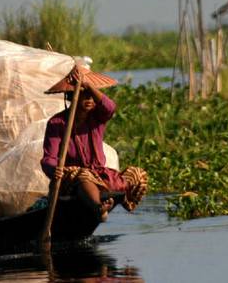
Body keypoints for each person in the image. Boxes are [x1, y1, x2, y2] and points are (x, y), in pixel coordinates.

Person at [41, 65, 148, 221]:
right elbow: (49, 157)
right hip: (72, 177)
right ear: (71, 96)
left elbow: (110, 108)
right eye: (84, 95)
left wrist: (89, 86)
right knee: (84, 174)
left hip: (99, 174)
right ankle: (99, 209)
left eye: (91, 95)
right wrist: (54, 169)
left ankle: (120, 202)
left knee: (138, 174)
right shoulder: (57, 122)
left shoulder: (97, 117)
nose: (89, 100)